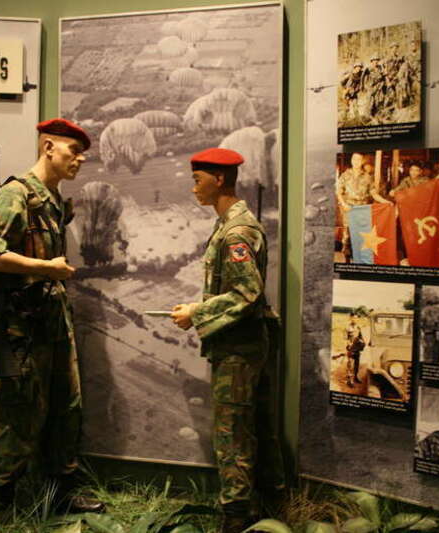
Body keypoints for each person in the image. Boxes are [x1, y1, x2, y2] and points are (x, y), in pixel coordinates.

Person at [0, 118, 100, 512]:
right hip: (20, 331)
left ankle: (60, 494)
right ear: (48, 147)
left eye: (81, 155)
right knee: (20, 416)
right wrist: (46, 268)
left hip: (51, 322)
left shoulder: (52, 200)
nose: (78, 160)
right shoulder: (17, 195)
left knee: (66, 406)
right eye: (72, 152)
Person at [170, 147, 285, 533]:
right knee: (248, 426)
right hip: (238, 343)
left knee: (231, 433)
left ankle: (236, 518)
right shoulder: (228, 223)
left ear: (219, 179)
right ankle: (265, 506)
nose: (193, 188)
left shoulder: (236, 230)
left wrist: (196, 313)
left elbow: (246, 293)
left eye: (198, 179)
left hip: (239, 348)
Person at [335, 152, 390, 261]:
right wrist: (343, 204)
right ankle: (346, 262)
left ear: (362, 162)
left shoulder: (367, 177)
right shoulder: (345, 175)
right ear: (351, 160)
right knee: (347, 236)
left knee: (361, 236)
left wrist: (385, 202)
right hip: (349, 209)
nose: (356, 162)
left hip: (362, 210)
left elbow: (374, 194)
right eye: (354, 159)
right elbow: (338, 192)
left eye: (359, 160)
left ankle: (358, 261)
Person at [345, 312, 365, 387]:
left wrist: (362, 342)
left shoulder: (358, 327)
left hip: (357, 349)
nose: (355, 319)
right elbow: (345, 338)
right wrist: (348, 345)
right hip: (351, 349)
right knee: (350, 364)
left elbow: (361, 337)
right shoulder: (347, 327)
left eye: (356, 318)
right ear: (350, 318)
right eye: (353, 318)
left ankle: (356, 377)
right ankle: (350, 380)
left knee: (357, 364)